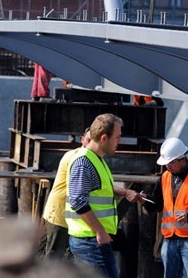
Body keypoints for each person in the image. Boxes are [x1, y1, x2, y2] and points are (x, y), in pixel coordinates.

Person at [65, 113, 139, 278]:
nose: (119, 141)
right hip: (90, 241)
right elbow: (78, 201)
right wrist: (100, 232)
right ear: (104, 138)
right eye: (117, 137)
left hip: (93, 240)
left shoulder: (97, 160)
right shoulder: (84, 162)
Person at [139, 138, 188, 278]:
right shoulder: (165, 177)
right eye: (166, 163)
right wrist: (145, 201)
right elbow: (158, 204)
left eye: (171, 162)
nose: (168, 167)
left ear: (182, 159)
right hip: (169, 238)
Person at [40, 127, 91, 259]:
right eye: (89, 140)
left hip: (72, 217)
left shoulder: (89, 158)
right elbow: (80, 186)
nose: (91, 144)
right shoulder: (77, 158)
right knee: (53, 257)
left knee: (67, 258)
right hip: (59, 214)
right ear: (82, 140)